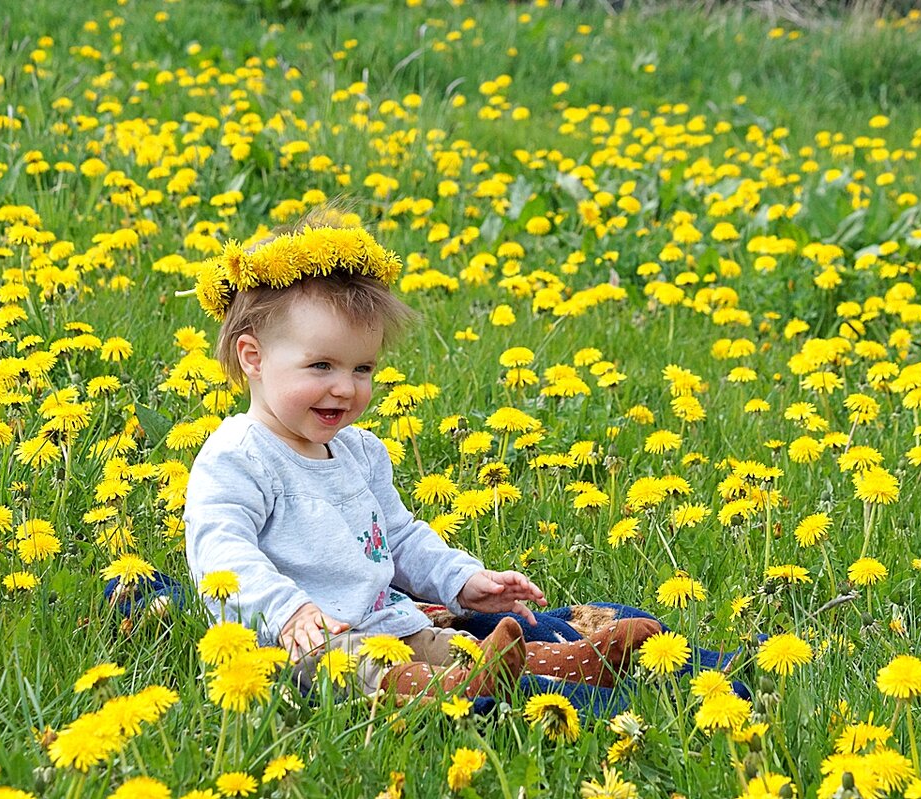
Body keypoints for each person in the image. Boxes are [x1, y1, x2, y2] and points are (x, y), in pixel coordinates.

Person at [184, 208, 658, 700]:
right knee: (359, 667)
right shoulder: (239, 459)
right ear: (252, 358)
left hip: (386, 621)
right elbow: (223, 557)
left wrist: (464, 582)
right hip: (298, 643)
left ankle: (572, 662)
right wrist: (288, 611)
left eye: (362, 368)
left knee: (446, 643)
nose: (345, 388)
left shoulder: (359, 452)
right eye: (321, 365)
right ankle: (452, 691)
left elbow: (400, 538)